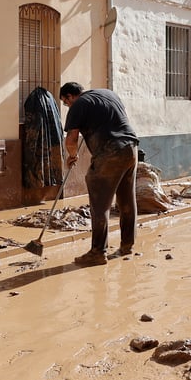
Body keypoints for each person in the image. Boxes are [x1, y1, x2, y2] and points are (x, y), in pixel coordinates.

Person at [60, 81, 140, 266]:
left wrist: (72, 156)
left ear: (70, 96)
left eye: (66, 103)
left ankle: (97, 252)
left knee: (99, 204)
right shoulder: (108, 94)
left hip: (109, 151)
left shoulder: (78, 105)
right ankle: (127, 245)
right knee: (127, 200)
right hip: (131, 148)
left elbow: (71, 139)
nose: (67, 106)